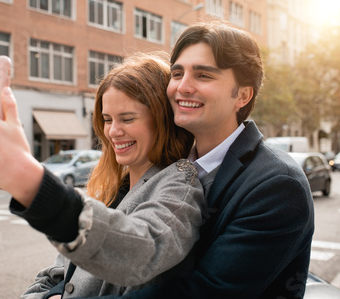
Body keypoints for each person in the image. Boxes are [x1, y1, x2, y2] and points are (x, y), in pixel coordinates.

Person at [83, 21, 315, 299]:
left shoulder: (277, 184)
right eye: (177, 73)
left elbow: (205, 292)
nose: (183, 87)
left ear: (242, 95)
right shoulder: (161, 166)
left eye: (203, 75)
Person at [0, 53, 205, 298]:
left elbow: (142, 252)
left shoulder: (181, 182)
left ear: (162, 120)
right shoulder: (111, 189)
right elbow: (56, 274)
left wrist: (26, 177)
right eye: (107, 119)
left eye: (127, 118)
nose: (113, 132)